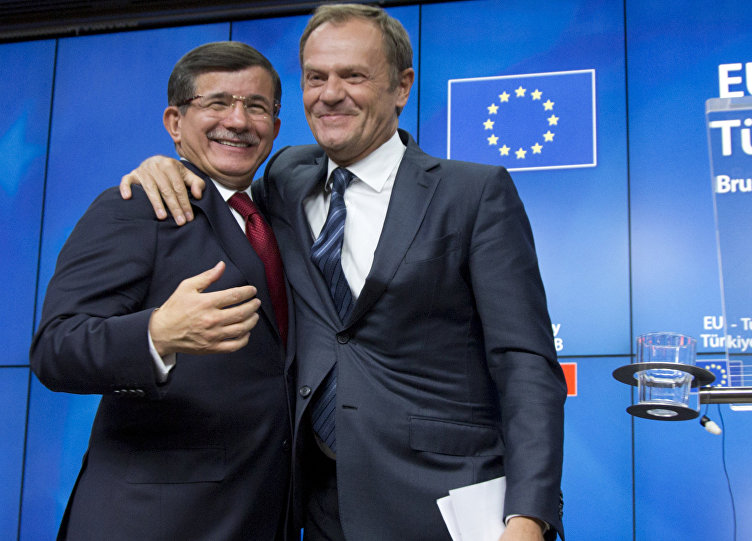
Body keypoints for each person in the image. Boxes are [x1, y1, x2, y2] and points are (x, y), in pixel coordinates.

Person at [121, 4, 566, 540]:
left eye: (353, 75)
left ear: (401, 88)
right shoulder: (284, 178)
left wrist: (529, 515)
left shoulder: (474, 193)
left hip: (448, 501)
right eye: (316, 77)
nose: (330, 93)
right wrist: (168, 164)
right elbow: (220, 184)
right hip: (314, 504)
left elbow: (525, 363)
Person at [31, 42, 292, 541]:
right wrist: (156, 334)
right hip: (152, 521)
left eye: (256, 106)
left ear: (276, 128)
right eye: (216, 103)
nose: (238, 120)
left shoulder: (280, 217)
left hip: (259, 516)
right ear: (175, 122)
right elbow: (55, 349)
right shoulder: (133, 206)